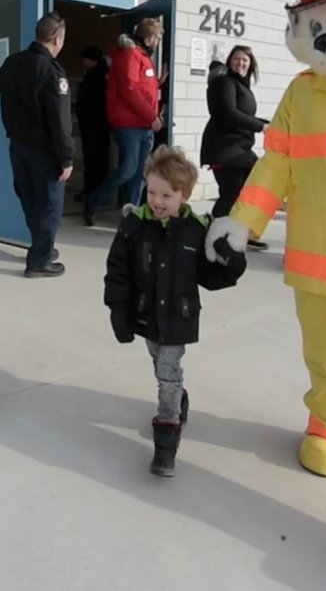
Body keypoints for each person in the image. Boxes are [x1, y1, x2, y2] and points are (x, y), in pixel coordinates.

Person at [103, 146, 246, 477]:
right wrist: (118, 312)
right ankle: (178, 397)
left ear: (185, 195)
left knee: (167, 372)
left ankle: (166, 439)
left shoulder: (196, 230)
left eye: (167, 194)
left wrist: (232, 264)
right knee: (159, 364)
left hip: (177, 319)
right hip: (145, 315)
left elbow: (210, 278)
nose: (157, 200)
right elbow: (117, 272)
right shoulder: (133, 227)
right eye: (152, 192)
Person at [0, 12, 74, 278]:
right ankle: (39, 261)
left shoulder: (12, 63)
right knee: (50, 206)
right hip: (45, 152)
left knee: (30, 200)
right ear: (57, 38)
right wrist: (66, 158)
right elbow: (60, 120)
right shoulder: (52, 71)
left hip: (17, 147)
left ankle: (43, 246)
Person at [83, 18, 163, 225]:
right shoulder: (131, 55)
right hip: (130, 123)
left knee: (140, 174)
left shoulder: (142, 57)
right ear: (150, 37)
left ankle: (131, 214)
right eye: (158, 38)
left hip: (143, 124)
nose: (158, 42)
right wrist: (151, 116)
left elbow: (143, 89)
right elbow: (129, 90)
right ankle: (94, 201)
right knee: (128, 169)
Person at [200, 45, 269, 250]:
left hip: (239, 148)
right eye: (237, 59)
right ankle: (211, 235)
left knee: (249, 192)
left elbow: (244, 116)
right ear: (230, 61)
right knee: (231, 194)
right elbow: (228, 113)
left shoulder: (242, 86)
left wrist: (269, 124)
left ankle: (241, 232)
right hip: (225, 148)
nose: (241, 63)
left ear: (251, 65)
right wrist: (261, 127)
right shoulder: (224, 82)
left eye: (245, 60)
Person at [76, 45, 111, 200]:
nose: (83, 61)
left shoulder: (100, 77)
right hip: (90, 125)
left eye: (85, 58)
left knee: (97, 161)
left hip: (97, 125)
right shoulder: (93, 74)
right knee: (90, 160)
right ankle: (90, 190)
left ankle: (97, 193)